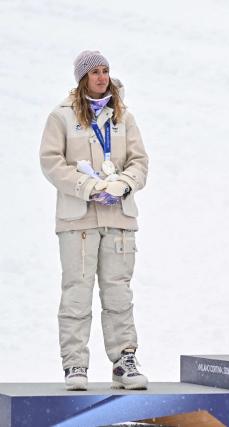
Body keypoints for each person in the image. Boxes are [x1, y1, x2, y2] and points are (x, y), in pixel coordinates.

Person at [40, 50, 149, 390]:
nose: (102, 77)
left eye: (105, 71)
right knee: (76, 292)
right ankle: (75, 365)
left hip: (118, 219)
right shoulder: (61, 117)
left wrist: (123, 184)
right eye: (94, 72)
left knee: (119, 293)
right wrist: (87, 186)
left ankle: (124, 361)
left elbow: (140, 162)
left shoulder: (123, 116)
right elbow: (51, 162)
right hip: (78, 221)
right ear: (82, 78)